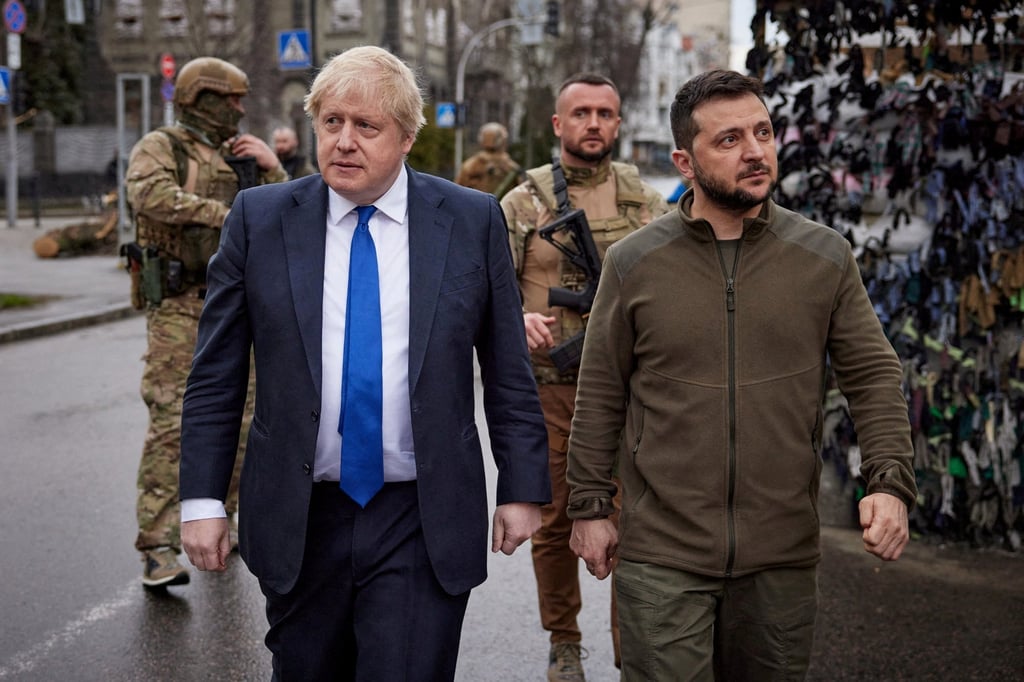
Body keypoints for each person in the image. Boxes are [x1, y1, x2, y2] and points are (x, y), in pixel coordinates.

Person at [178, 45, 551, 680]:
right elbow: (215, 375)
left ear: (406, 138)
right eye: (331, 122)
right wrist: (201, 499)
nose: (344, 141)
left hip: (420, 513)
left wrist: (521, 487)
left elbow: (508, 369)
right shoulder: (260, 220)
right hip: (301, 513)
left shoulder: (469, 220)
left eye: (366, 126)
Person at [566, 69, 919, 681]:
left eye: (763, 132)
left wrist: (889, 482)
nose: (755, 151)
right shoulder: (635, 263)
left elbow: (872, 375)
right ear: (684, 162)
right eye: (729, 139)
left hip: (780, 555)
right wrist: (590, 505)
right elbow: (600, 391)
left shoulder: (823, 256)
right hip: (663, 555)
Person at [501, 73, 668, 681]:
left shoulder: (645, 203)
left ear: (618, 123)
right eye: (580, 112)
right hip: (549, 387)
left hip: (630, 393)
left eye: (604, 112)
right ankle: (564, 641)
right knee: (554, 521)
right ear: (558, 124)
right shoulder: (523, 203)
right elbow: (487, 290)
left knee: (635, 523)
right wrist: (516, 319)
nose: (593, 123)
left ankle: (633, 653)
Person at [124, 56, 287, 589]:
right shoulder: (162, 146)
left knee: (244, 420)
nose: (239, 109)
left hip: (238, 306)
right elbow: (149, 196)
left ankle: (223, 517)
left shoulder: (238, 153)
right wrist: (232, 216)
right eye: (231, 99)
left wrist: (271, 167)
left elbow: (292, 210)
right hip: (180, 306)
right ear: (202, 99)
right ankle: (157, 545)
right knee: (174, 423)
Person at [455, 122, 523, 198]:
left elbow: (457, 191)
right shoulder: (511, 167)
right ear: (503, 140)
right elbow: (521, 193)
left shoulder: (470, 165)